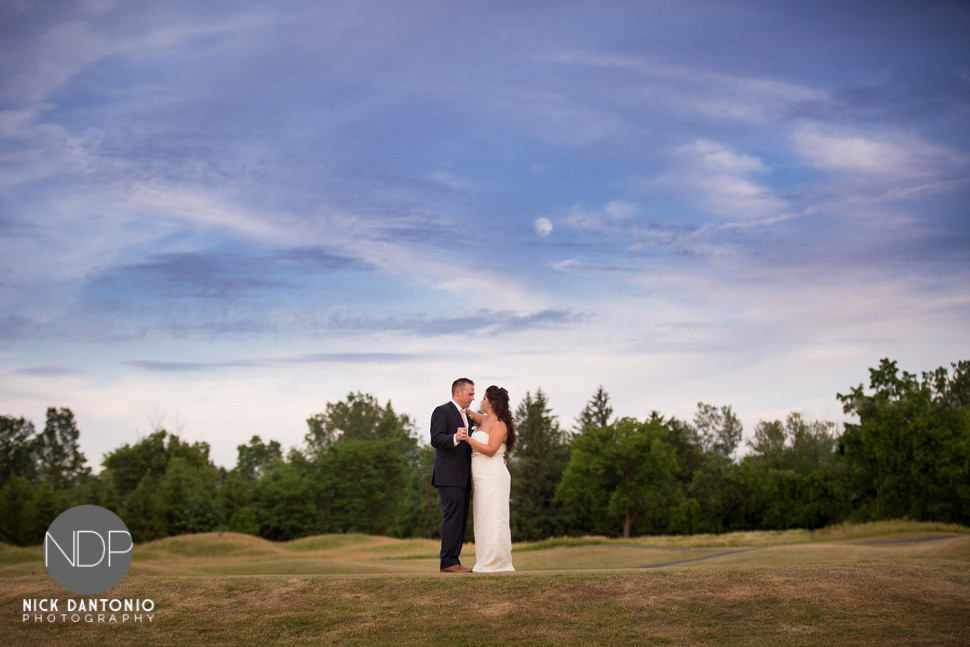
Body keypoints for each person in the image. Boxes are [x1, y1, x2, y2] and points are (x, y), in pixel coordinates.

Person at [458, 385, 516, 572]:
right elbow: (468, 412)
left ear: (491, 402)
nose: (480, 401)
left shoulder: (499, 424)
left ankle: (497, 563)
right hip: (481, 478)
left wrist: (468, 439)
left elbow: (491, 450)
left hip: (493, 476)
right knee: (483, 517)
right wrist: (457, 405)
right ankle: (485, 559)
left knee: (495, 517)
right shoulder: (485, 419)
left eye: (483, 398)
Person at [430, 378, 476, 573]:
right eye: (470, 394)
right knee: (452, 518)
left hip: (463, 478)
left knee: (461, 520)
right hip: (448, 477)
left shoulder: (468, 416)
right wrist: (455, 437)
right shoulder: (442, 411)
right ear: (458, 392)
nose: (473, 398)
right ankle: (448, 563)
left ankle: (454, 561)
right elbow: (435, 439)